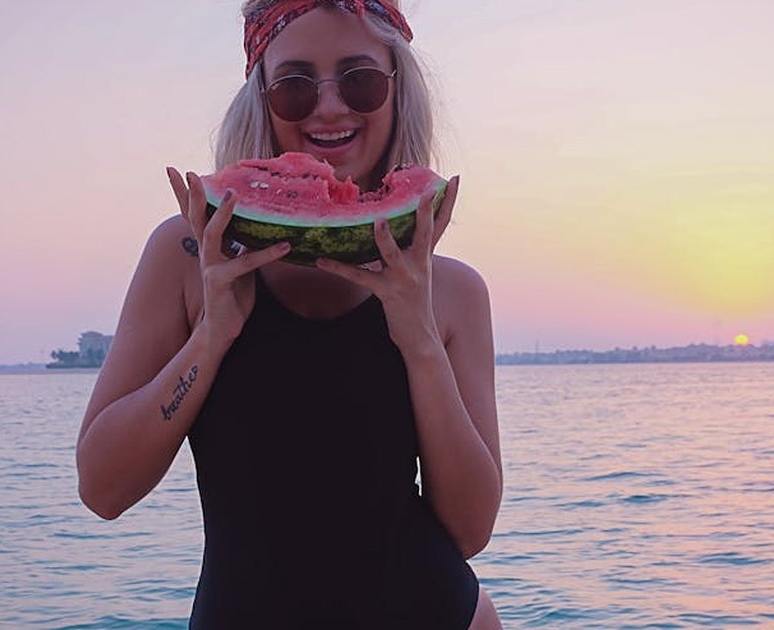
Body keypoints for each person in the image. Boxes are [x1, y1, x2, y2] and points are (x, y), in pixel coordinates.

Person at [74, 0, 503, 627]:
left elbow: (469, 531)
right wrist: (213, 335)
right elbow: (103, 490)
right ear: (262, 99)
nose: (329, 107)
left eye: (359, 79)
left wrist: (418, 339)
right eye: (295, 87)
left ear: (397, 89)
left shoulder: (454, 292)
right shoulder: (188, 255)